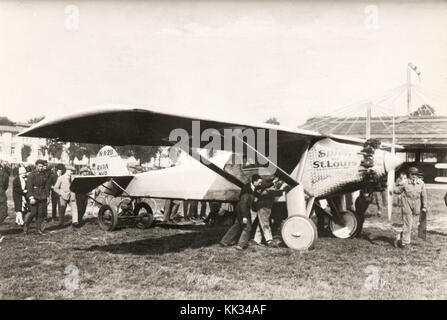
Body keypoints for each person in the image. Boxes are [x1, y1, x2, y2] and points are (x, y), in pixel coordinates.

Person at [219, 174, 263, 250]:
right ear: (254, 181)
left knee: (237, 225)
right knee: (247, 228)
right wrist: (244, 217)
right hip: (242, 209)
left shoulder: (253, 187)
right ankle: (240, 245)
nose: (260, 184)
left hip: (243, 209)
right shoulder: (247, 189)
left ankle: (224, 241)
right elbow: (243, 204)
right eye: (259, 182)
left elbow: (264, 186)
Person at [393, 166, 427, 249]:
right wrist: (391, 187)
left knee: (412, 225)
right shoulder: (404, 183)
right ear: (409, 174)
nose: (414, 176)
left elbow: (424, 196)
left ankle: (399, 236)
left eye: (416, 174)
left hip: (416, 206)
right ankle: (405, 243)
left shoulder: (421, 183)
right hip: (406, 204)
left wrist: (424, 206)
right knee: (408, 224)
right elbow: (397, 191)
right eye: (412, 174)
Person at [251, 177, 286, 247]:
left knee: (261, 224)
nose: (273, 186)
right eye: (272, 185)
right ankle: (269, 241)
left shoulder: (260, 189)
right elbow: (277, 192)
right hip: (264, 208)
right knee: (265, 224)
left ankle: (256, 240)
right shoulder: (266, 190)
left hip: (262, 208)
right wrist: (283, 188)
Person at [24, 160, 51, 235]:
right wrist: (31, 197)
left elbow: (46, 186)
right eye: (39, 166)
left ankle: (38, 229)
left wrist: (48, 196)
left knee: (40, 214)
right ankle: (26, 226)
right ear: (36, 166)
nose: (41, 168)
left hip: (42, 196)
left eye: (42, 166)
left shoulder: (44, 175)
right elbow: (29, 187)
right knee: (33, 213)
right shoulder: (32, 175)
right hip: (34, 196)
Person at [0, 163, 10, 228]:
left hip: (1, 195)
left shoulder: (4, 175)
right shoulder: (5, 174)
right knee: (4, 212)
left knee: (4, 212)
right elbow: (5, 186)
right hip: (2, 195)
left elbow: (5, 186)